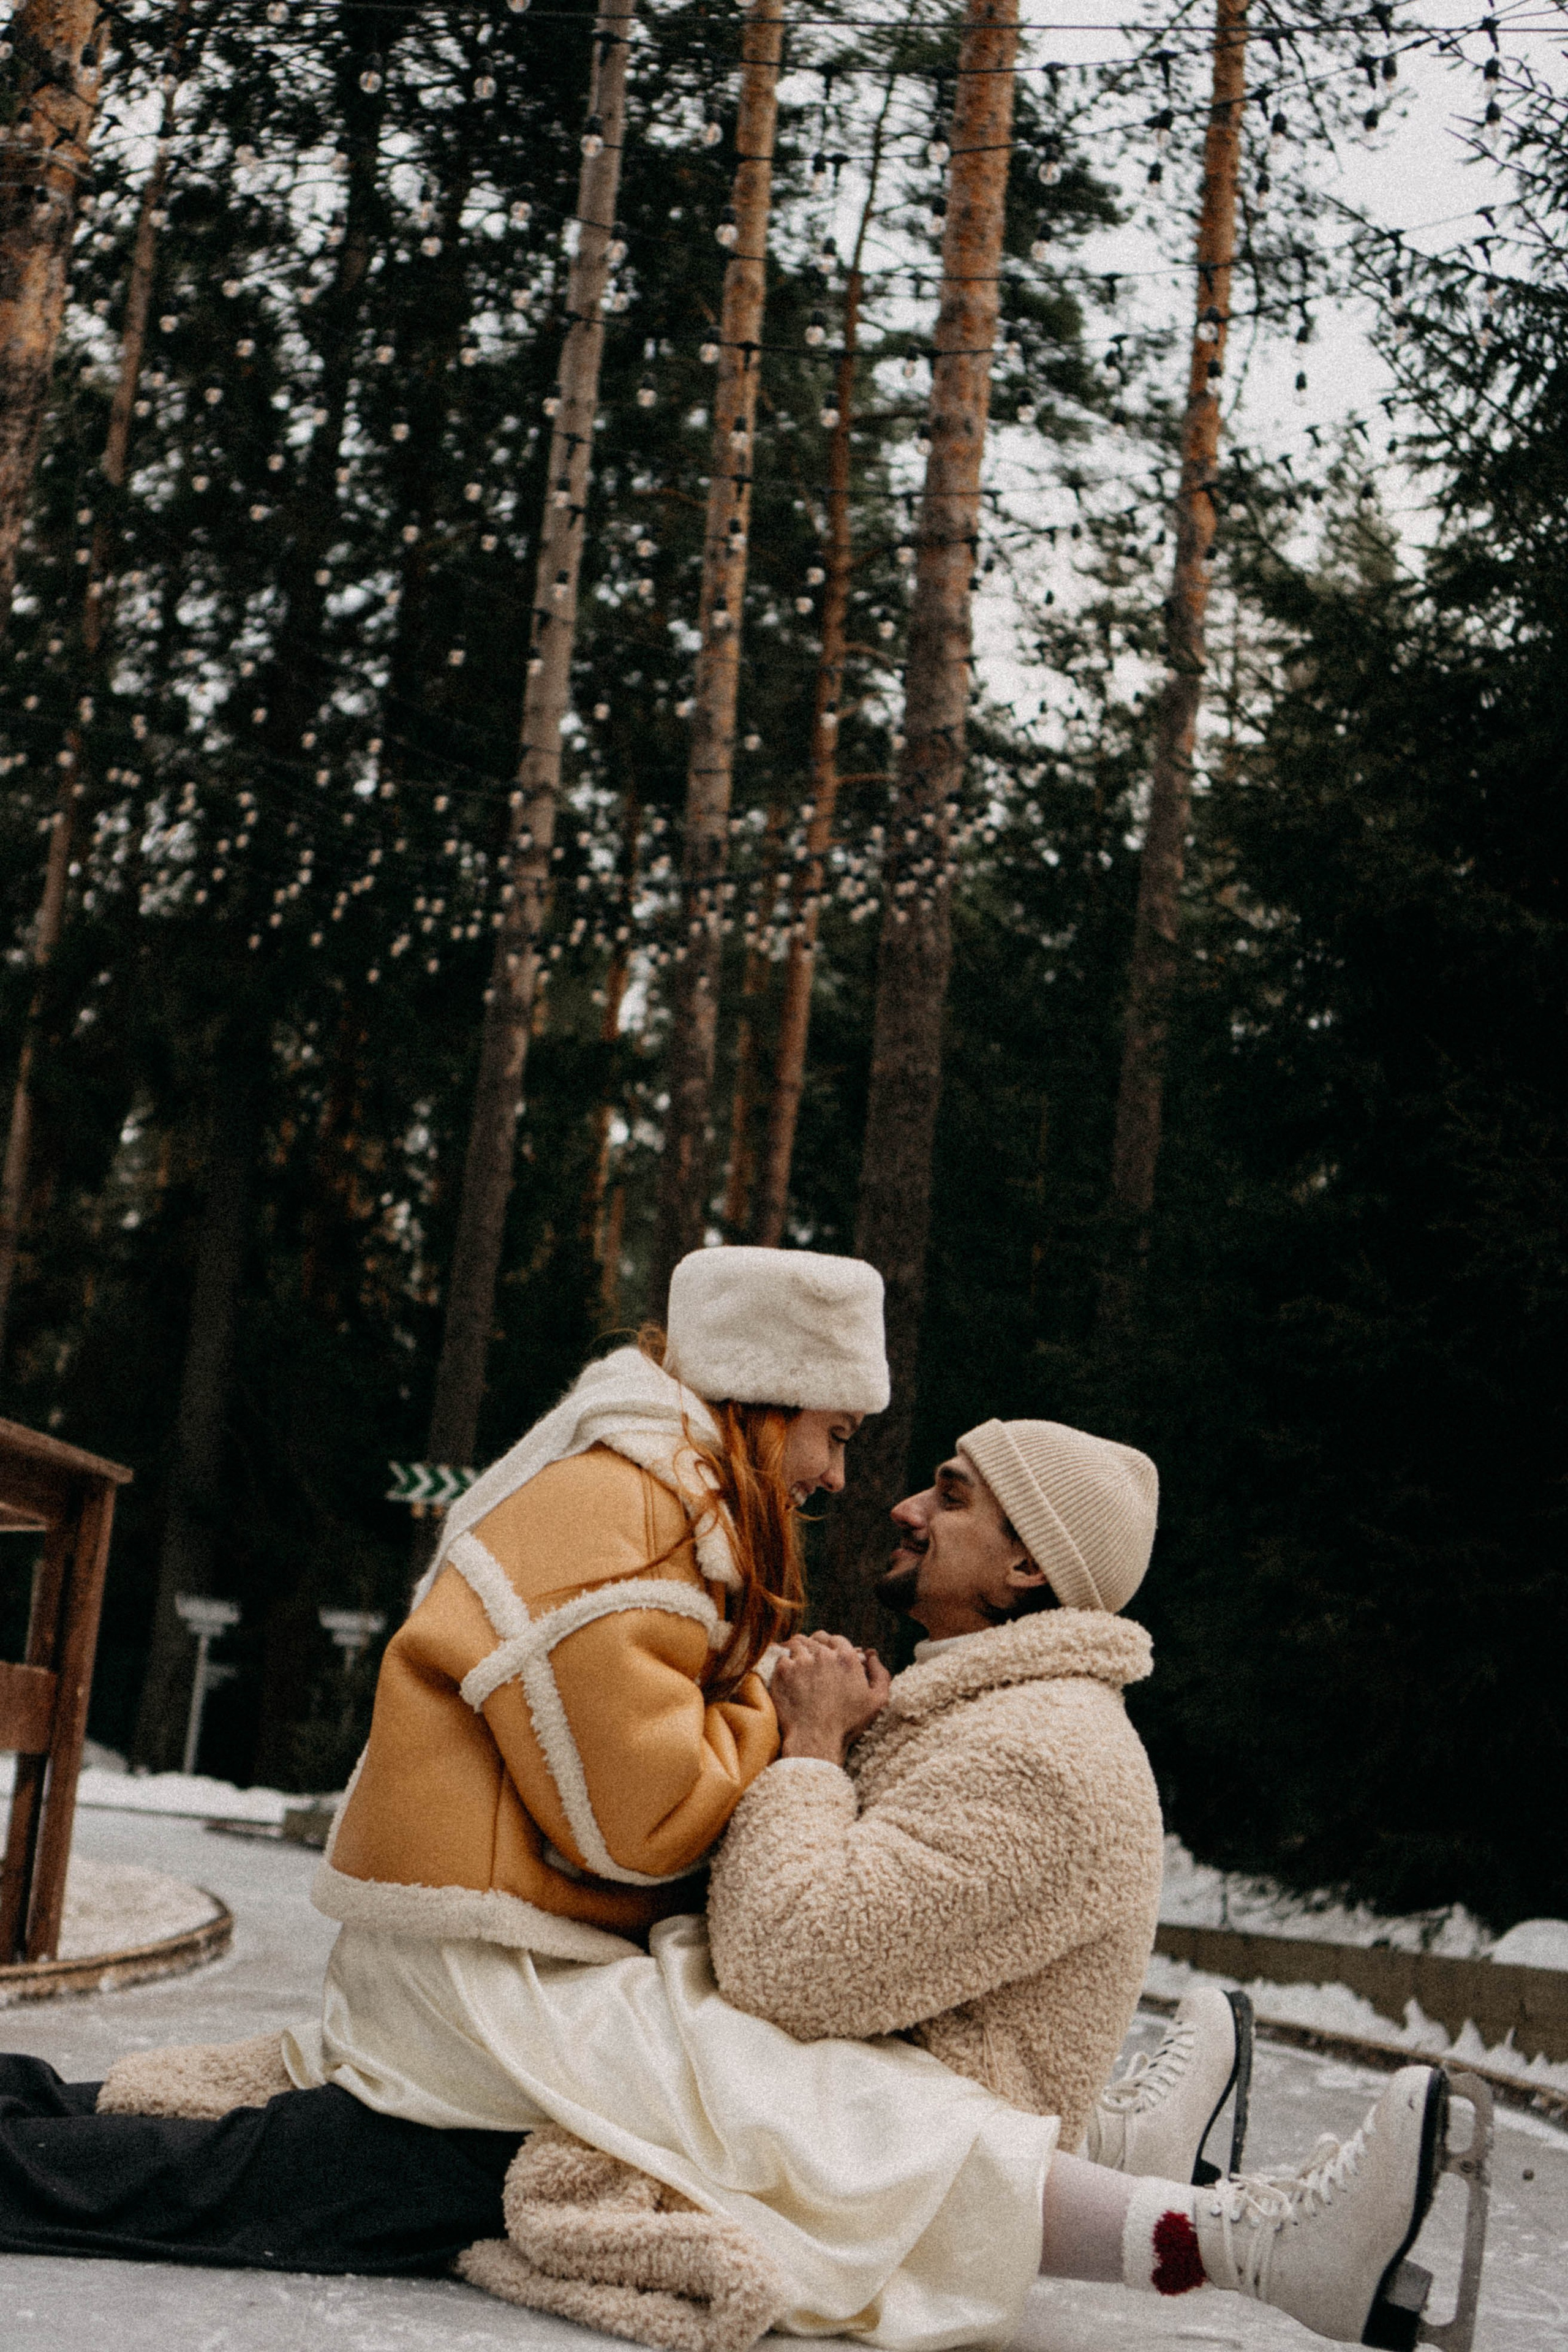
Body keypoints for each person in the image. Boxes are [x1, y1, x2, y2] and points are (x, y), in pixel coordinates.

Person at [0, 1327, 1481, 2352]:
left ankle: (1232, 2233)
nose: (892, 1499)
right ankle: (1193, 2203)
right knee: (282, 2141)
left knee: (281, 2161)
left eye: (949, 1494)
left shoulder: (1044, 1753)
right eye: (885, 1458)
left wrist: (810, 1749)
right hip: (716, 2107)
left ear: (1032, 1564)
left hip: (766, 2129)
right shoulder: (969, 1714)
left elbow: (791, 1961)